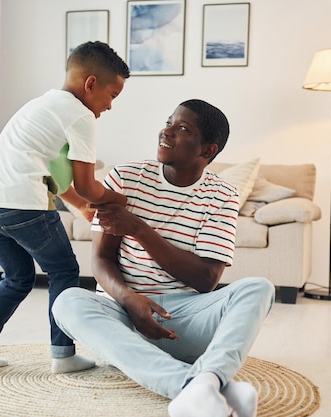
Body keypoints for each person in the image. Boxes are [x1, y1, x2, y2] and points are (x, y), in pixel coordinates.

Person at [52, 99, 275, 417]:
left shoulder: (222, 196)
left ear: (206, 151)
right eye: (168, 121)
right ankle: (199, 386)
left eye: (182, 128)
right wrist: (129, 299)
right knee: (67, 302)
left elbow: (205, 280)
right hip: (123, 314)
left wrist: (140, 229)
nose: (166, 131)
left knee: (259, 288)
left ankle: (206, 379)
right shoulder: (126, 177)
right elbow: (101, 260)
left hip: (182, 320)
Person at [0, 41, 130, 374]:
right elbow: (88, 185)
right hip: (22, 206)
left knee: (17, 278)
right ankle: (63, 355)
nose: (109, 107)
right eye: (112, 96)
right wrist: (127, 199)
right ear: (91, 84)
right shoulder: (81, 116)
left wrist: (80, 208)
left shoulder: (41, 105)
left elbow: (58, 178)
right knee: (63, 272)